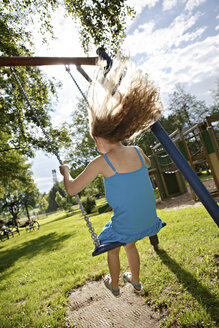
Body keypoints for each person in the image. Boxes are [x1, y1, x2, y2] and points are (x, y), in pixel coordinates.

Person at [59, 55, 164, 297]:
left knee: (113, 247)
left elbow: (73, 189)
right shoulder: (137, 151)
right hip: (148, 220)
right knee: (130, 244)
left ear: (98, 139)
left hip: (127, 224)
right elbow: (147, 163)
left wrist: (66, 172)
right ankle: (135, 281)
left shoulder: (100, 162)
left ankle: (114, 284)